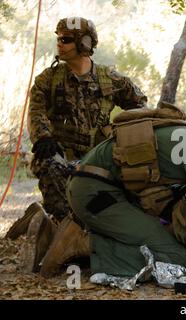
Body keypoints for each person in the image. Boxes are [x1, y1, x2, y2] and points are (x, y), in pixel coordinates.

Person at [37, 103, 186, 278]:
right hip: (97, 193)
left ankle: (77, 237)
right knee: (174, 258)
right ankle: (82, 244)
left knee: (158, 239)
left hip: (99, 190)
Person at [26, 17, 148, 223]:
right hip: (63, 155)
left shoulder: (110, 78)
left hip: (100, 155)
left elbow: (139, 106)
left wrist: (121, 133)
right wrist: (43, 137)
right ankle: (65, 225)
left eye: (65, 40)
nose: (59, 44)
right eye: (58, 39)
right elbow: (36, 111)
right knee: (48, 163)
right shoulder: (48, 79)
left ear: (85, 44)